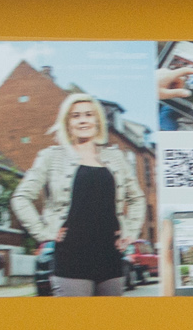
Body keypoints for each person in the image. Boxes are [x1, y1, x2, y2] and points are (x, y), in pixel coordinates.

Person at [11, 91, 148, 296]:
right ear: (67, 123)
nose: (83, 121)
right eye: (76, 116)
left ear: (98, 120)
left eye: (88, 115)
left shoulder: (115, 157)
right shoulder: (51, 157)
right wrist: (44, 232)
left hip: (110, 257)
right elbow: (21, 197)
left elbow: (137, 198)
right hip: (71, 258)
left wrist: (130, 232)